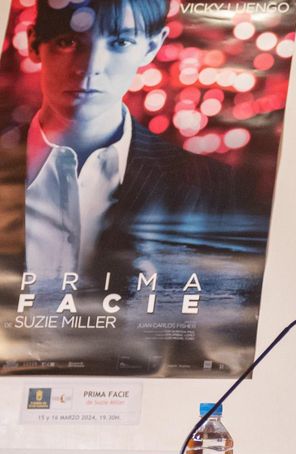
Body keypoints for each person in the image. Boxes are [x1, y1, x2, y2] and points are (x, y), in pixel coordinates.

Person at [18, 0, 233, 281]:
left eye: (119, 42)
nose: (90, 66)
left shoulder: (208, 186)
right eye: (68, 41)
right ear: (34, 44)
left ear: (152, 47)